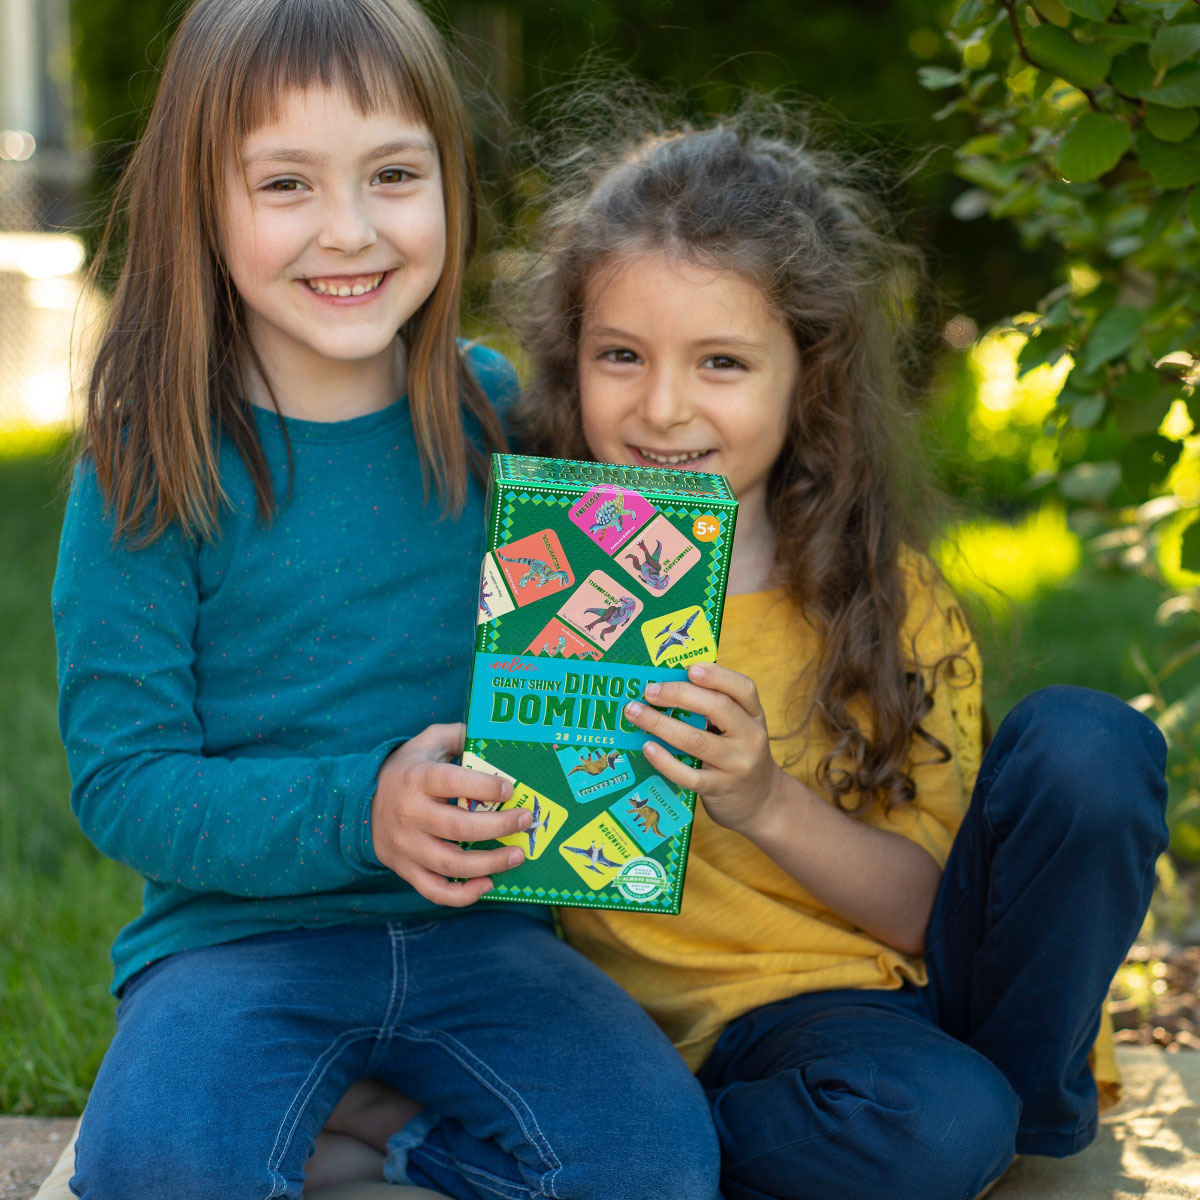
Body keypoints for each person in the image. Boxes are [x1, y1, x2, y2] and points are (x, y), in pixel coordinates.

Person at [50, 5, 719, 1198]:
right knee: (154, 1169)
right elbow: (124, 782)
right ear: (199, 202)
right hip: (234, 945)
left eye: (395, 175)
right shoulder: (147, 460)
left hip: (487, 939)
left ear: (452, 186)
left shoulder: (493, 412)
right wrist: (365, 809)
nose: (349, 230)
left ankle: (383, 1134)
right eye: (287, 183)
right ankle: (332, 1111)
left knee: (658, 1165)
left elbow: (597, 631)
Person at [508, 115, 1171, 1200]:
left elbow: (930, 912)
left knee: (1092, 745)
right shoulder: (546, 576)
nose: (662, 406)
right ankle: (650, 1143)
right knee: (925, 1127)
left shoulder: (884, 597)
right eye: (619, 355)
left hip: (928, 993)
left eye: (721, 361)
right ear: (570, 359)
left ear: (804, 375)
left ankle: (1008, 1118)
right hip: (736, 1040)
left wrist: (763, 797)